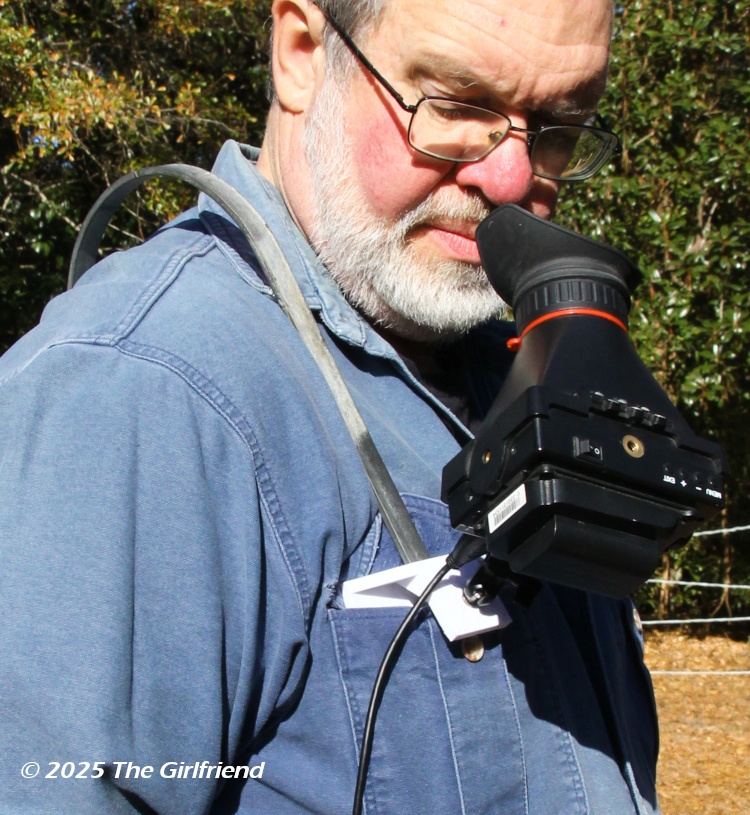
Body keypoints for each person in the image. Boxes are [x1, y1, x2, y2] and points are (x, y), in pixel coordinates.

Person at [0, 0, 660, 813]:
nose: (512, 178)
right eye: (455, 105)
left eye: (558, 124)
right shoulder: (145, 392)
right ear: (302, 51)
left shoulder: (510, 371)